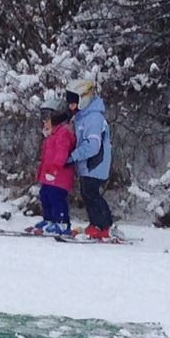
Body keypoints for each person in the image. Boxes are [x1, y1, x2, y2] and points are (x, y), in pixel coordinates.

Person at [65, 78, 116, 239]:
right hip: (88, 166)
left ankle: (103, 226)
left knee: (91, 193)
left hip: (95, 164)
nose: (70, 106)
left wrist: (74, 156)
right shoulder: (84, 116)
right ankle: (96, 224)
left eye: (73, 102)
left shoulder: (93, 118)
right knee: (87, 193)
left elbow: (93, 145)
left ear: (83, 99)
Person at [27, 95, 76, 236]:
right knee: (44, 194)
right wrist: (42, 172)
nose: (44, 122)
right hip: (49, 174)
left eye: (47, 118)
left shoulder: (63, 133)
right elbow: (45, 157)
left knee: (56, 197)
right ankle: (49, 219)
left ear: (57, 118)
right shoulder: (51, 135)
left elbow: (61, 154)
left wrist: (55, 168)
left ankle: (62, 222)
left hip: (59, 175)